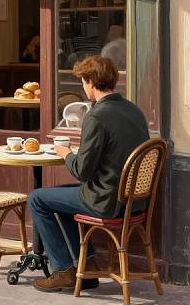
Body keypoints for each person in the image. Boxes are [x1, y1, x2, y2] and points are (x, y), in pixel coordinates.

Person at [27, 55, 149, 293]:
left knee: (37, 198)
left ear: (91, 82)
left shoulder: (96, 116)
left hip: (106, 201)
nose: (83, 87)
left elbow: (82, 172)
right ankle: (88, 265)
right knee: (58, 199)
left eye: (83, 81)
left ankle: (63, 271)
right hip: (134, 201)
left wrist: (65, 153)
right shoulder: (133, 110)